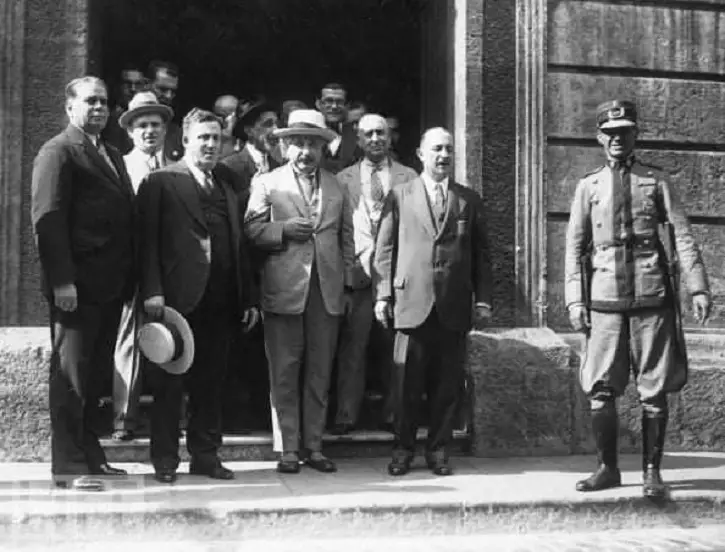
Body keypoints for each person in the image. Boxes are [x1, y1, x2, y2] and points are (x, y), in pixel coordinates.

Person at [565, 99, 711, 498]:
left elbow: (682, 235)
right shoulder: (588, 187)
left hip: (651, 298)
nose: (617, 139)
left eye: (624, 132)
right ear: (599, 137)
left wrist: (697, 286)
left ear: (635, 136)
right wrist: (575, 301)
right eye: (610, 133)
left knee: (654, 387)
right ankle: (606, 468)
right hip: (605, 301)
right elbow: (575, 247)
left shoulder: (656, 181)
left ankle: (651, 472)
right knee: (601, 388)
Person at [137, 108, 259, 483]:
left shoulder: (226, 185)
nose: (210, 144)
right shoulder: (160, 182)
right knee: (169, 385)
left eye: (216, 138)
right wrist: (153, 291)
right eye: (202, 138)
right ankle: (165, 461)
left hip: (221, 301)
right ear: (184, 141)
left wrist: (248, 296)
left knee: (211, 383)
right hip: (176, 301)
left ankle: (205, 456)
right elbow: (146, 244)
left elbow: (239, 246)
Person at [31, 76, 135, 491]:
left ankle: (91, 456)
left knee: (93, 380)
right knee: (71, 376)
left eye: (104, 102)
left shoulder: (110, 152)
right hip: (76, 288)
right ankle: (68, 466)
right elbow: (48, 221)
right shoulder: (58, 152)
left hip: (108, 287)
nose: (99, 108)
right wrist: (62, 282)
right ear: (69, 107)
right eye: (90, 101)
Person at [373, 127, 493, 477]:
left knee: (446, 386)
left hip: (452, 307)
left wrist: (482, 300)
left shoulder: (468, 200)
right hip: (411, 303)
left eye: (449, 150)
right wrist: (383, 294)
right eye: (436, 149)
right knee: (405, 385)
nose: (443, 155)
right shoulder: (400, 195)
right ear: (421, 154)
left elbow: (482, 256)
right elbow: (384, 250)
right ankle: (402, 449)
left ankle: (439, 450)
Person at [245, 109, 354, 474]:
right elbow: (250, 231)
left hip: (326, 292)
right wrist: (283, 230)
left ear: (323, 149)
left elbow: (347, 240)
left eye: (312, 144)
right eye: (298, 143)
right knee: (285, 371)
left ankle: (314, 446)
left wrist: (348, 285)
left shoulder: (337, 185)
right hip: (284, 288)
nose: (305, 151)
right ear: (284, 146)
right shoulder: (267, 183)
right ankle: (288, 448)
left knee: (320, 372)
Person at [333, 114, 417, 435]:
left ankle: (395, 415)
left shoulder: (409, 177)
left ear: (390, 137)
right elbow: (339, 231)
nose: (376, 139)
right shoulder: (342, 179)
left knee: (396, 351)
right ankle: (345, 415)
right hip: (358, 276)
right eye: (368, 133)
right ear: (357, 137)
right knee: (352, 350)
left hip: (396, 278)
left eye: (381, 132)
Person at [108, 91, 173, 442]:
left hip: (172, 268)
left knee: (173, 341)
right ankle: (124, 418)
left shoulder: (175, 168)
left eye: (156, 125)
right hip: (133, 268)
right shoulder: (122, 166)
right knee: (130, 342)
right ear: (131, 131)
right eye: (142, 125)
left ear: (165, 130)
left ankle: (171, 415)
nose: (149, 131)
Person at [103, 65, 147, 153]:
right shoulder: (111, 119)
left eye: (138, 84)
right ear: (118, 86)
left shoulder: (147, 118)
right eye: (127, 84)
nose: (133, 89)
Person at [315, 83, 359, 173]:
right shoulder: (308, 135)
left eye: (339, 102)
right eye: (328, 101)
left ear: (347, 106)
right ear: (318, 104)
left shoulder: (358, 136)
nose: (334, 106)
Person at [147, 60, 184, 162]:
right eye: (162, 89)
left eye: (173, 92)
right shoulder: (122, 127)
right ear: (146, 84)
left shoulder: (177, 134)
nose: (168, 96)